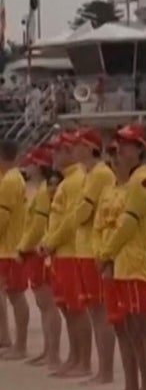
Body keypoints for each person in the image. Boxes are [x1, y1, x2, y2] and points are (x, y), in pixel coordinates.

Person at [96, 124, 146, 390]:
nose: (119, 151)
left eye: (125, 146)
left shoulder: (141, 179)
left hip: (137, 262)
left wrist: (106, 254)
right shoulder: (125, 182)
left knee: (145, 327)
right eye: (116, 146)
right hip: (125, 261)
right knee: (133, 326)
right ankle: (142, 387)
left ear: (139, 149)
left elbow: (129, 223)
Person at [40, 132, 92, 379]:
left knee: (76, 309)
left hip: (69, 253)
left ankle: (82, 360)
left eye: (58, 150)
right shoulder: (65, 182)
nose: (53, 154)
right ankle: (74, 356)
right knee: (66, 307)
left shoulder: (75, 182)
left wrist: (50, 242)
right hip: (61, 253)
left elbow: (71, 221)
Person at [71, 128, 119, 386]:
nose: (74, 149)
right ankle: (99, 368)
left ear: (90, 147)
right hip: (83, 247)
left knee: (100, 313)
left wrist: (72, 216)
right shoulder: (89, 174)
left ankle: (106, 370)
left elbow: (82, 214)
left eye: (78, 144)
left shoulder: (99, 174)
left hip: (92, 249)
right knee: (92, 310)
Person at [94, 143, 140, 390]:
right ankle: (130, 383)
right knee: (118, 325)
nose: (113, 159)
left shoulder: (131, 189)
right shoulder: (108, 191)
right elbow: (99, 226)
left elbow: (126, 228)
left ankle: (140, 383)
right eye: (110, 154)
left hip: (124, 262)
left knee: (132, 325)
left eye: (117, 153)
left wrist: (108, 257)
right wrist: (100, 256)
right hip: (107, 263)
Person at [17, 148, 59, 368]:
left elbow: (37, 226)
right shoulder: (39, 190)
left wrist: (24, 248)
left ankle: (53, 352)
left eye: (32, 163)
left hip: (37, 250)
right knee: (43, 304)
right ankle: (48, 349)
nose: (27, 166)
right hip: (35, 249)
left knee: (47, 303)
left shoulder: (43, 192)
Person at [0, 140, 30, 360]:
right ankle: (8, 339)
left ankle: (19, 344)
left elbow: (2, 216)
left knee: (16, 296)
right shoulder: (13, 178)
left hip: (9, 247)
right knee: (11, 295)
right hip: (9, 245)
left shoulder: (10, 180)